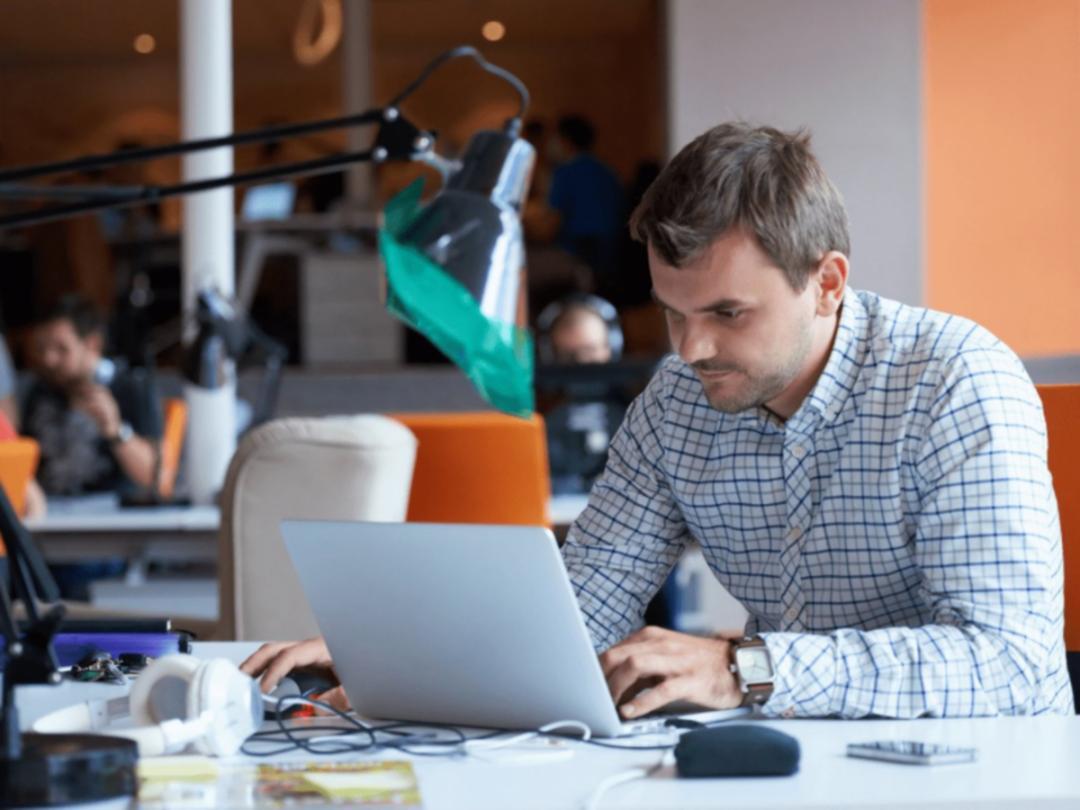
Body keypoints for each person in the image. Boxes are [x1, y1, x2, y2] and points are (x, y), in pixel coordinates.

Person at [241, 122, 1072, 721]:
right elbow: (580, 605)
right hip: (801, 764)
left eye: (727, 312)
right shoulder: (677, 402)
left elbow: (1008, 660)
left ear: (827, 283)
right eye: (672, 312)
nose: (692, 347)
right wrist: (397, 658)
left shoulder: (957, 380)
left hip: (986, 772)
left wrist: (747, 666)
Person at [21, 295, 164, 498]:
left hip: (112, 518)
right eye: (42, 349)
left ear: (92, 344)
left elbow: (153, 476)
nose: (49, 359)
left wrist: (115, 430)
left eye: (62, 349)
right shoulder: (40, 390)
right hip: (48, 515)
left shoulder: (131, 386)